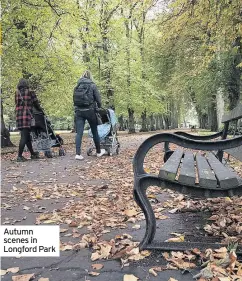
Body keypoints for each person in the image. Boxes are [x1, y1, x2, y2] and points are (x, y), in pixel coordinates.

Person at [73, 70, 105, 160]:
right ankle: (98, 152)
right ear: (90, 77)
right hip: (90, 111)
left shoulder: (77, 86)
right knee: (94, 131)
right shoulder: (92, 85)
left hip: (79, 111)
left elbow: (74, 100)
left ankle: (78, 154)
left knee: (79, 133)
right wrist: (99, 107)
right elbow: (98, 99)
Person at [15, 78, 42, 162]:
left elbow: (16, 104)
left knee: (26, 136)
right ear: (27, 84)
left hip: (19, 116)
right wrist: (40, 110)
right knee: (24, 136)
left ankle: (33, 154)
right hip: (27, 116)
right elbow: (36, 103)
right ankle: (19, 156)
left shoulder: (17, 93)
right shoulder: (30, 92)